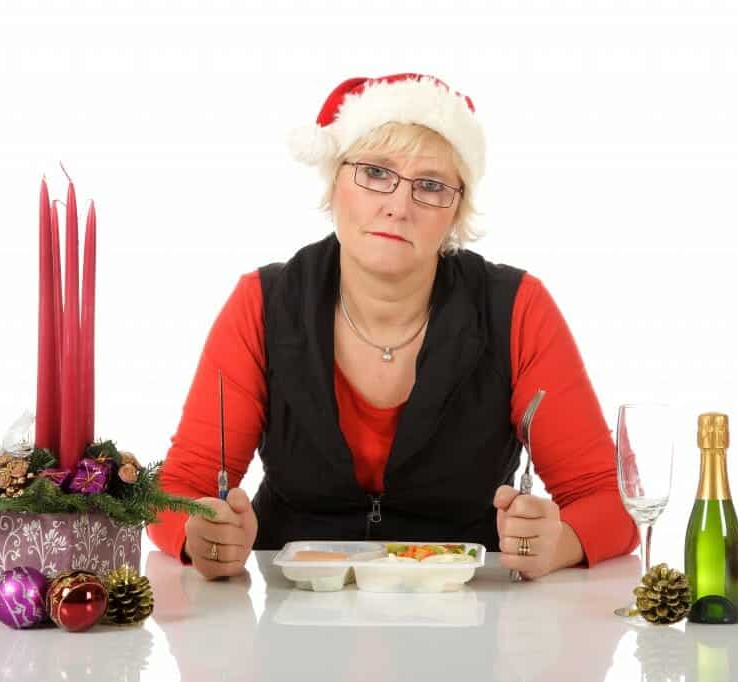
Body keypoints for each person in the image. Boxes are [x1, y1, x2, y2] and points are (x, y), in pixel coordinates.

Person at [147, 72, 638, 581]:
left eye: (430, 185)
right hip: (292, 616)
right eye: (376, 173)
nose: (398, 206)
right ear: (334, 182)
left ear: (455, 210)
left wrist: (558, 542)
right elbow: (176, 489)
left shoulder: (516, 308)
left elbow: (613, 501)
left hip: (471, 621)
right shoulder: (263, 303)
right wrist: (199, 535)